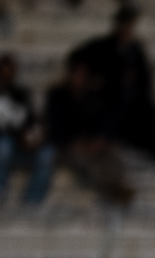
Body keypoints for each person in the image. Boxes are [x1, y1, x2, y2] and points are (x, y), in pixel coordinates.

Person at [43, 51, 132, 205]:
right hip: (67, 146)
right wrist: (73, 143)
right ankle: (111, 191)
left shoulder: (92, 96)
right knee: (89, 163)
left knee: (113, 154)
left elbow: (103, 120)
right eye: (78, 74)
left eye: (84, 75)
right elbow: (54, 126)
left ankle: (118, 185)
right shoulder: (57, 96)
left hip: (90, 143)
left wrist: (99, 139)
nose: (80, 78)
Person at [75, 3, 155, 152]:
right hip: (108, 99)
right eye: (125, 24)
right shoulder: (103, 47)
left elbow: (145, 81)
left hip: (131, 103)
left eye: (130, 25)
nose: (128, 29)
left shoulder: (136, 50)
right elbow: (79, 58)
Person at [0, 54, 55, 204]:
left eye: (10, 73)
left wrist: (33, 138)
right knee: (4, 145)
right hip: (6, 145)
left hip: (22, 146)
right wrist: (17, 136)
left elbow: (31, 122)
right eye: (3, 74)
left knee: (47, 153)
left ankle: (33, 201)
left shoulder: (21, 94)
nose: (6, 78)